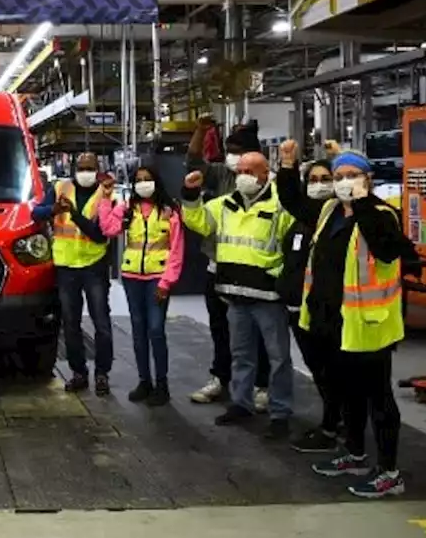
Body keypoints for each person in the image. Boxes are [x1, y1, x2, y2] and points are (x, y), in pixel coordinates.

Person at [301, 151, 412, 498]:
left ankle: (390, 472)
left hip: (369, 324)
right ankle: (355, 453)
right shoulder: (330, 211)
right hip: (333, 321)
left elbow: (389, 251)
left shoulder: (382, 215)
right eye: (339, 176)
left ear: (367, 179)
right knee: (347, 393)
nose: (344, 182)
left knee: (378, 398)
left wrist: (362, 204)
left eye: (352, 175)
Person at [182, 152, 296, 438]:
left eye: (250, 170)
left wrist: (280, 280)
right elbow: (198, 222)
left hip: (268, 297)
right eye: (240, 170)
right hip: (234, 295)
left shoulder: (280, 206)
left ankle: (280, 412)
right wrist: (190, 193)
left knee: (278, 357)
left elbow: (292, 247)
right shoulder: (224, 204)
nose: (243, 175)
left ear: (265, 173)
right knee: (241, 355)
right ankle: (241, 403)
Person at [186, 117, 272, 408]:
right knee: (220, 330)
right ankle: (221, 378)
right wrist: (200, 131)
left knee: (258, 335)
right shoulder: (223, 175)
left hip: (255, 274)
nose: (233, 157)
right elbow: (194, 160)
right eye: (230, 150)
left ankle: (262, 385)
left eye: (238, 150)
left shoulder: (272, 190)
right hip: (219, 270)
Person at [275, 140, 346, 454]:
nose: (319, 186)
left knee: (333, 368)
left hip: (330, 309)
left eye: (326, 179)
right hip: (299, 306)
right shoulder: (305, 216)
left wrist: (341, 161)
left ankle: (334, 425)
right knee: (318, 367)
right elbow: (289, 197)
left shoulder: (341, 216)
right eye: (313, 180)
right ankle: (336, 420)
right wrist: (288, 166)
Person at [98, 164, 183, 405]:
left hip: (158, 278)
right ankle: (144, 381)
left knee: (156, 330)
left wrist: (167, 282)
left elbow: (176, 250)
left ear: (156, 181)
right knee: (138, 331)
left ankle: (162, 384)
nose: (143, 183)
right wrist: (105, 199)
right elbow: (107, 228)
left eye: (147, 179)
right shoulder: (127, 209)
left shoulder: (169, 211)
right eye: (139, 179)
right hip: (132, 278)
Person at [32, 152, 113, 395]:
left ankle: (102, 374)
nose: (85, 172)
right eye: (81, 167)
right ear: (74, 169)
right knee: (70, 323)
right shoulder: (60, 187)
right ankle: (79, 373)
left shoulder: (107, 194)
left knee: (101, 323)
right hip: (66, 266)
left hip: (94, 265)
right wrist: (54, 209)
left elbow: (100, 234)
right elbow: (35, 213)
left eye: (90, 167)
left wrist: (74, 214)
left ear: (97, 170)